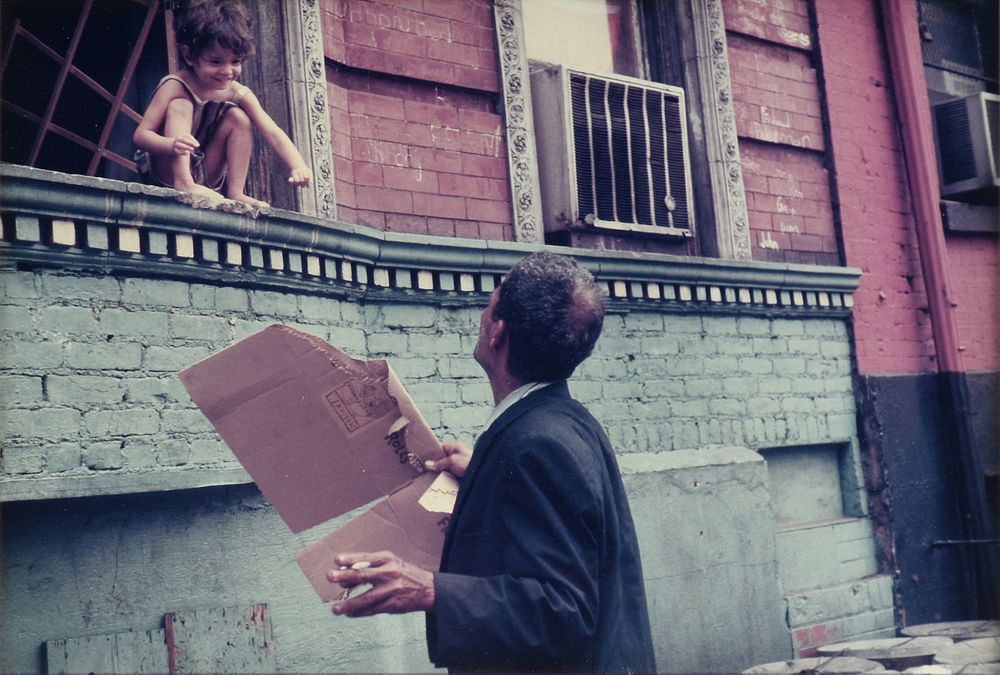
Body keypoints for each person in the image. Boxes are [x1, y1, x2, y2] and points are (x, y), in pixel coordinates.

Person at [329, 251, 656, 674]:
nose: (483, 315)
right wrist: (487, 471)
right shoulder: (565, 423)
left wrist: (431, 589)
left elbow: (564, 611)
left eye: (490, 303)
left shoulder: (538, 445)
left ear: (497, 331)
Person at [132, 0, 312, 207]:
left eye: (235, 62)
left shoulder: (237, 91)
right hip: (164, 171)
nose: (227, 71)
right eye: (216, 62)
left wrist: (298, 165)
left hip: (206, 174)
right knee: (180, 106)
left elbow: (272, 131)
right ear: (189, 55)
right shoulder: (175, 85)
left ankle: (236, 192)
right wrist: (171, 144)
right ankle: (184, 182)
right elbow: (141, 136)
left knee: (239, 117)